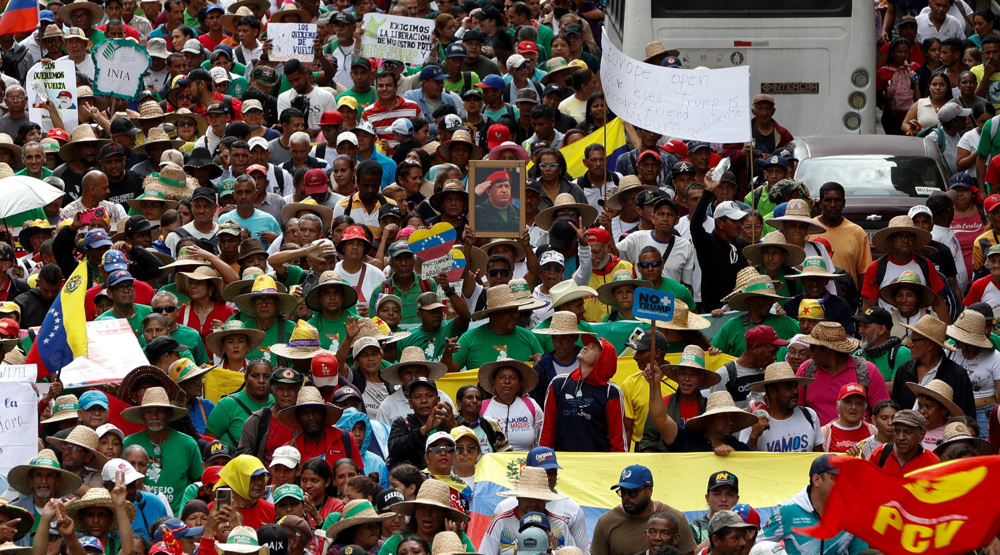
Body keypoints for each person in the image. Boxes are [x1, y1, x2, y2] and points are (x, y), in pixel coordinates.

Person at [758, 454, 868, 553]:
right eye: (835, 479)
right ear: (816, 480)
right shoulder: (787, 510)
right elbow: (758, 546)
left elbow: (861, 553)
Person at [121, 387, 202, 513]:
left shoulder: (188, 444)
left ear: (169, 414)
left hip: (177, 519)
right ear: (142, 416)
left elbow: (199, 482)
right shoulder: (129, 443)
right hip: (138, 514)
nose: (154, 416)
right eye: (148, 412)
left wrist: (184, 514)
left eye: (160, 411)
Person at [540, 336, 625, 452]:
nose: (586, 347)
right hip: (562, 463)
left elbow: (618, 440)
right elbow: (547, 431)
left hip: (597, 464)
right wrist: (542, 460)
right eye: (587, 345)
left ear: (603, 358)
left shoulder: (612, 392)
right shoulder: (557, 383)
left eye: (593, 347)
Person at [590, 465, 696, 555]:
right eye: (623, 492)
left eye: (633, 492)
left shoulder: (676, 519)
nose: (627, 497)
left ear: (649, 490)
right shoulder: (606, 522)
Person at [890, 314, 977, 416]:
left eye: (913, 341)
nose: (909, 345)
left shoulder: (957, 375)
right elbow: (895, 407)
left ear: (929, 344)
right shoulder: (904, 370)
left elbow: (966, 416)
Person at [481, 466, 575, 555]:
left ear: (546, 498)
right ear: (518, 497)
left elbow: (574, 552)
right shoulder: (501, 523)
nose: (533, 503)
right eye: (527, 497)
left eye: (539, 497)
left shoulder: (560, 525)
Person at [741, 363, 823, 453]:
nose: (795, 391)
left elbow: (818, 457)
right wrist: (754, 435)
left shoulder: (810, 415)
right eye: (788, 388)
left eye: (795, 386)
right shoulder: (753, 422)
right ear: (772, 392)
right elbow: (743, 461)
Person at [279, 386, 363, 467]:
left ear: (323, 413)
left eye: (315, 411)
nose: (311, 417)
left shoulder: (345, 439)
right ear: (298, 418)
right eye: (304, 413)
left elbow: (358, 477)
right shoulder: (290, 449)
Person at [235, 367, 303, 465]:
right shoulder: (256, 421)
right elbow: (243, 458)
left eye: (291, 389)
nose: (285, 394)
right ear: (272, 391)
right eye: (280, 389)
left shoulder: (305, 420)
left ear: (298, 392)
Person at [812, 182, 872, 289]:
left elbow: (864, 273)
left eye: (837, 200)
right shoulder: (808, 229)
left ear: (844, 203)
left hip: (847, 300)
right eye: (828, 200)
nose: (833, 205)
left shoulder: (857, 232)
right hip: (812, 300)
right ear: (820, 203)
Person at [478, 359, 544, 451]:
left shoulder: (530, 404)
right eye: (502, 377)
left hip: (527, 463)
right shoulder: (482, 407)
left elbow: (543, 435)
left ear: (520, 383)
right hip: (493, 463)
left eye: (512, 378)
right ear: (494, 382)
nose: (507, 381)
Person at [868, 409, 941, 475]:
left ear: (921, 434)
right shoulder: (881, 453)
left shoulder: (932, 462)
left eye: (908, 432)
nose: (901, 437)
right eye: (897, 431)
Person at [854, 306, 911, 391]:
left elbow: (896, 387)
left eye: (865, 326)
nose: (860, 331)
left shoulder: (900, 353)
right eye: (860, 326)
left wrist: (860, 385)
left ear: (882, 329)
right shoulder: (858, 354)